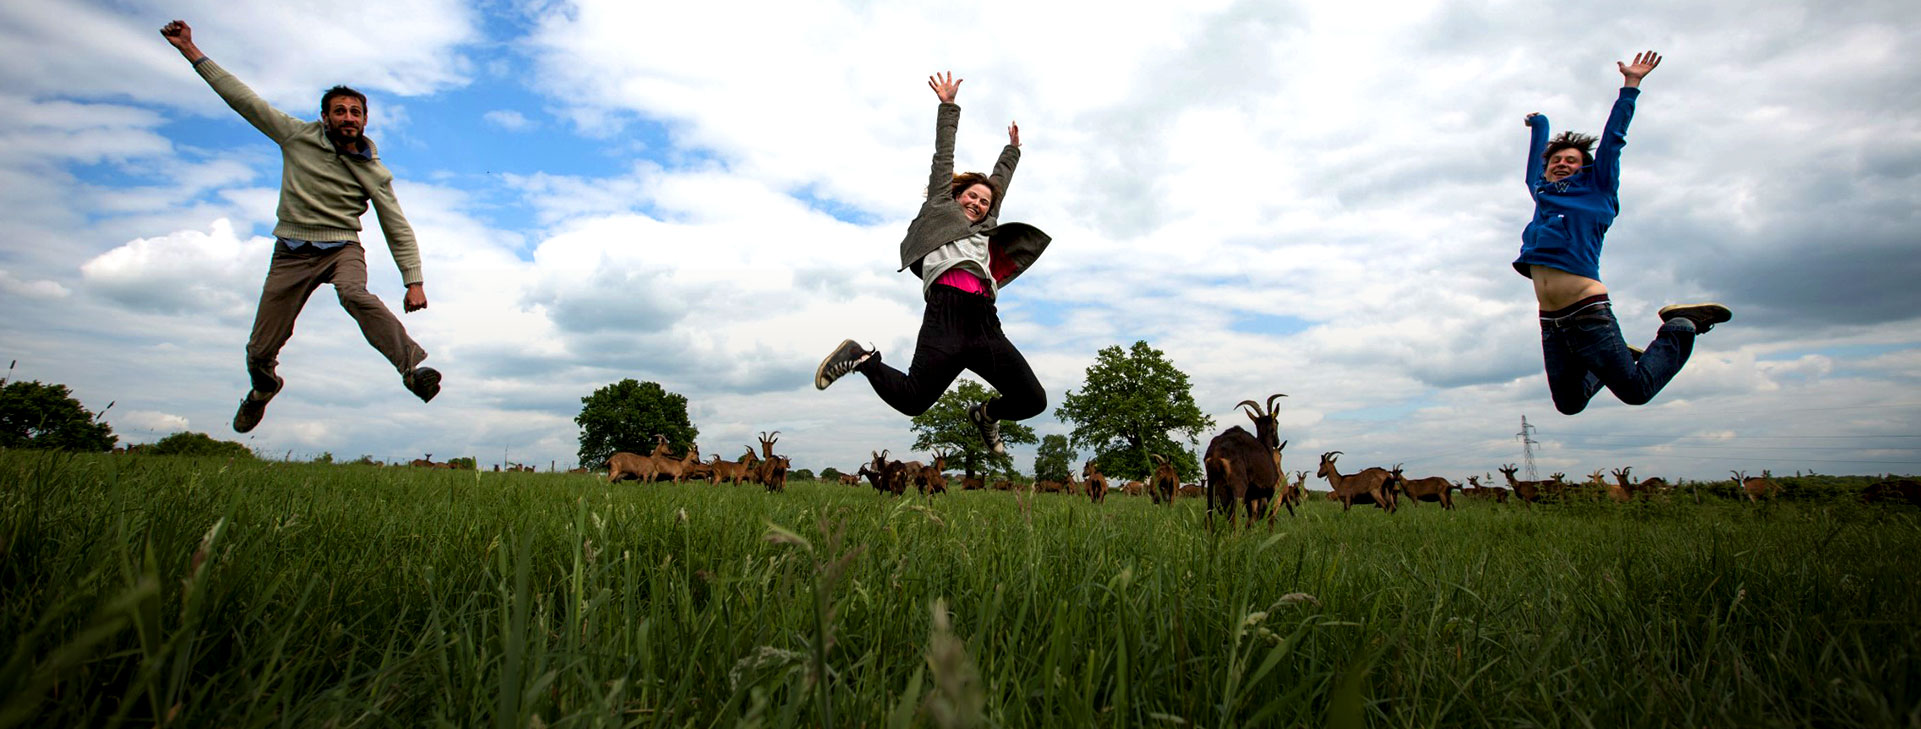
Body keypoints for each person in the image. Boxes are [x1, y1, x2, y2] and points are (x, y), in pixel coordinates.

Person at [160, 20, 441, 433]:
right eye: (340, 111)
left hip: (342, 248)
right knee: (259, 349)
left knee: (354, 293)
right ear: (324, 117)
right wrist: (191, 50)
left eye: (356, 112)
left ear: (365, 120)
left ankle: (412, 369)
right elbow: (244, 100)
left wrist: (413, 281)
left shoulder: (373, 172)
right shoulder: (296, 137)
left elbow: (397, 226)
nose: (348, 117)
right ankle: (263, 388)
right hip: (290, 253)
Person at [814, 72, 1051, 454]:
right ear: (957, 195)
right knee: (913, 401)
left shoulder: (986, 229)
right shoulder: (940, 208)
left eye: (984, 202)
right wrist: (948, 107)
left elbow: (999, 183)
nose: (977, 204)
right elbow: (944, 158)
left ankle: (986, 415)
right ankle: (860, 358)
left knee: (1032, 400)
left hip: (985, 323)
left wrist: (1013, 152)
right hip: (946, 316)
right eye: (972, 197)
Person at [1516, 51, 1729, 415]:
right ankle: (1622, 357)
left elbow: (1613, 140)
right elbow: (1535, 163)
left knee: (1636, 391)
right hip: (1551, 322)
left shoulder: (1597, 192)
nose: (1562, 163)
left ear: (1586, 169)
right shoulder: (1544, 195)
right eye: (1556, 161)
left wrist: (1631, 85)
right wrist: (1541, 125)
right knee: (1569, 404)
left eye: (1572, 160)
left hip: (1587, 313)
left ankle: (1681, 325)